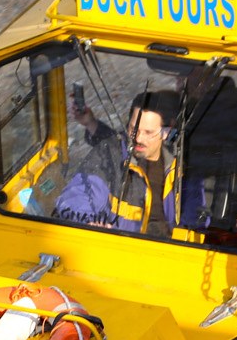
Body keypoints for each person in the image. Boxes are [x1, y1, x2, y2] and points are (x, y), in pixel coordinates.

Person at [57, 89, 184, 236]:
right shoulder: (107, 156)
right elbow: (77, 196)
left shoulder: (181, 163)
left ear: (167, 132)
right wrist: (86, 222)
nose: (138, 138)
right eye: (133, 129)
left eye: (148, 132)